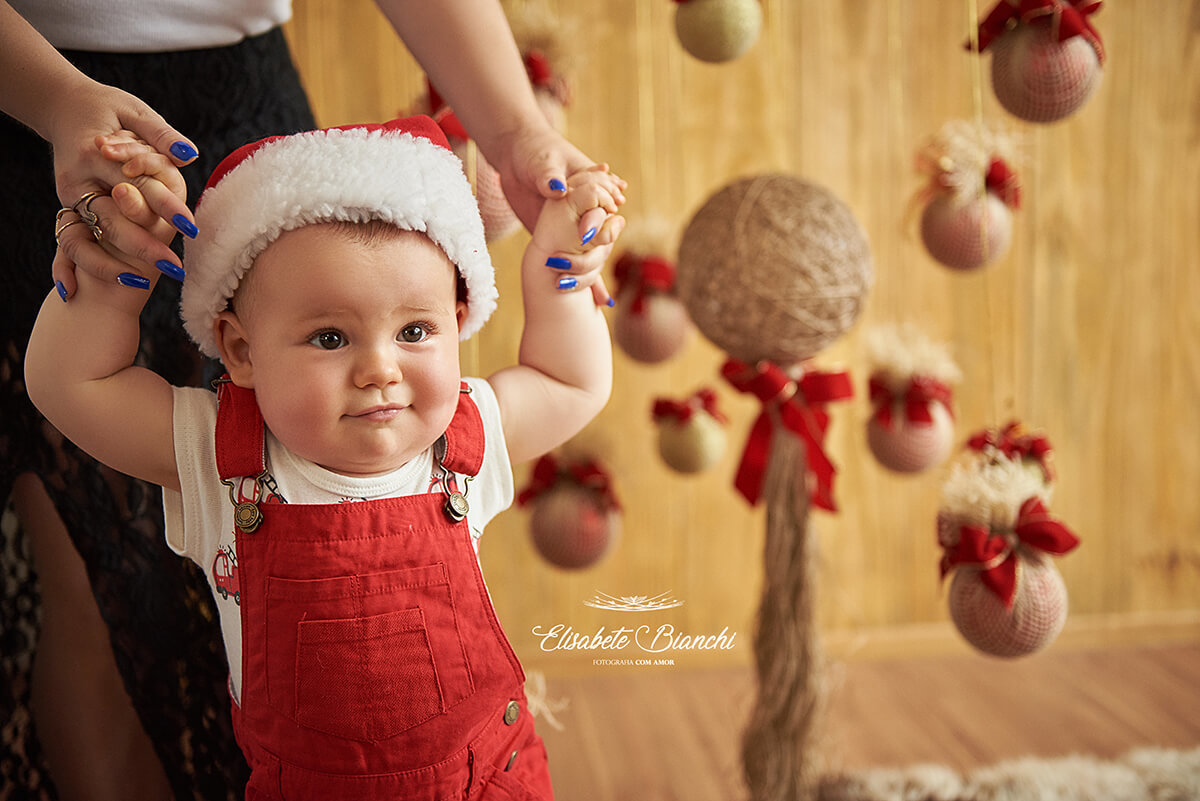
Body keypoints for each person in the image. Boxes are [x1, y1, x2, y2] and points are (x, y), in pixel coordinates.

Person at [0, 1, 613, 796]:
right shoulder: (223, 451)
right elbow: (70, 385)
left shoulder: (463, 432)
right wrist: (113, 281)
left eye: (417, 331)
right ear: (241, 351)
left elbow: (571, 382)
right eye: (330, 338)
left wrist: (559, 277)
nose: (379, 369)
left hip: (487, 782)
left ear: (461, 319)